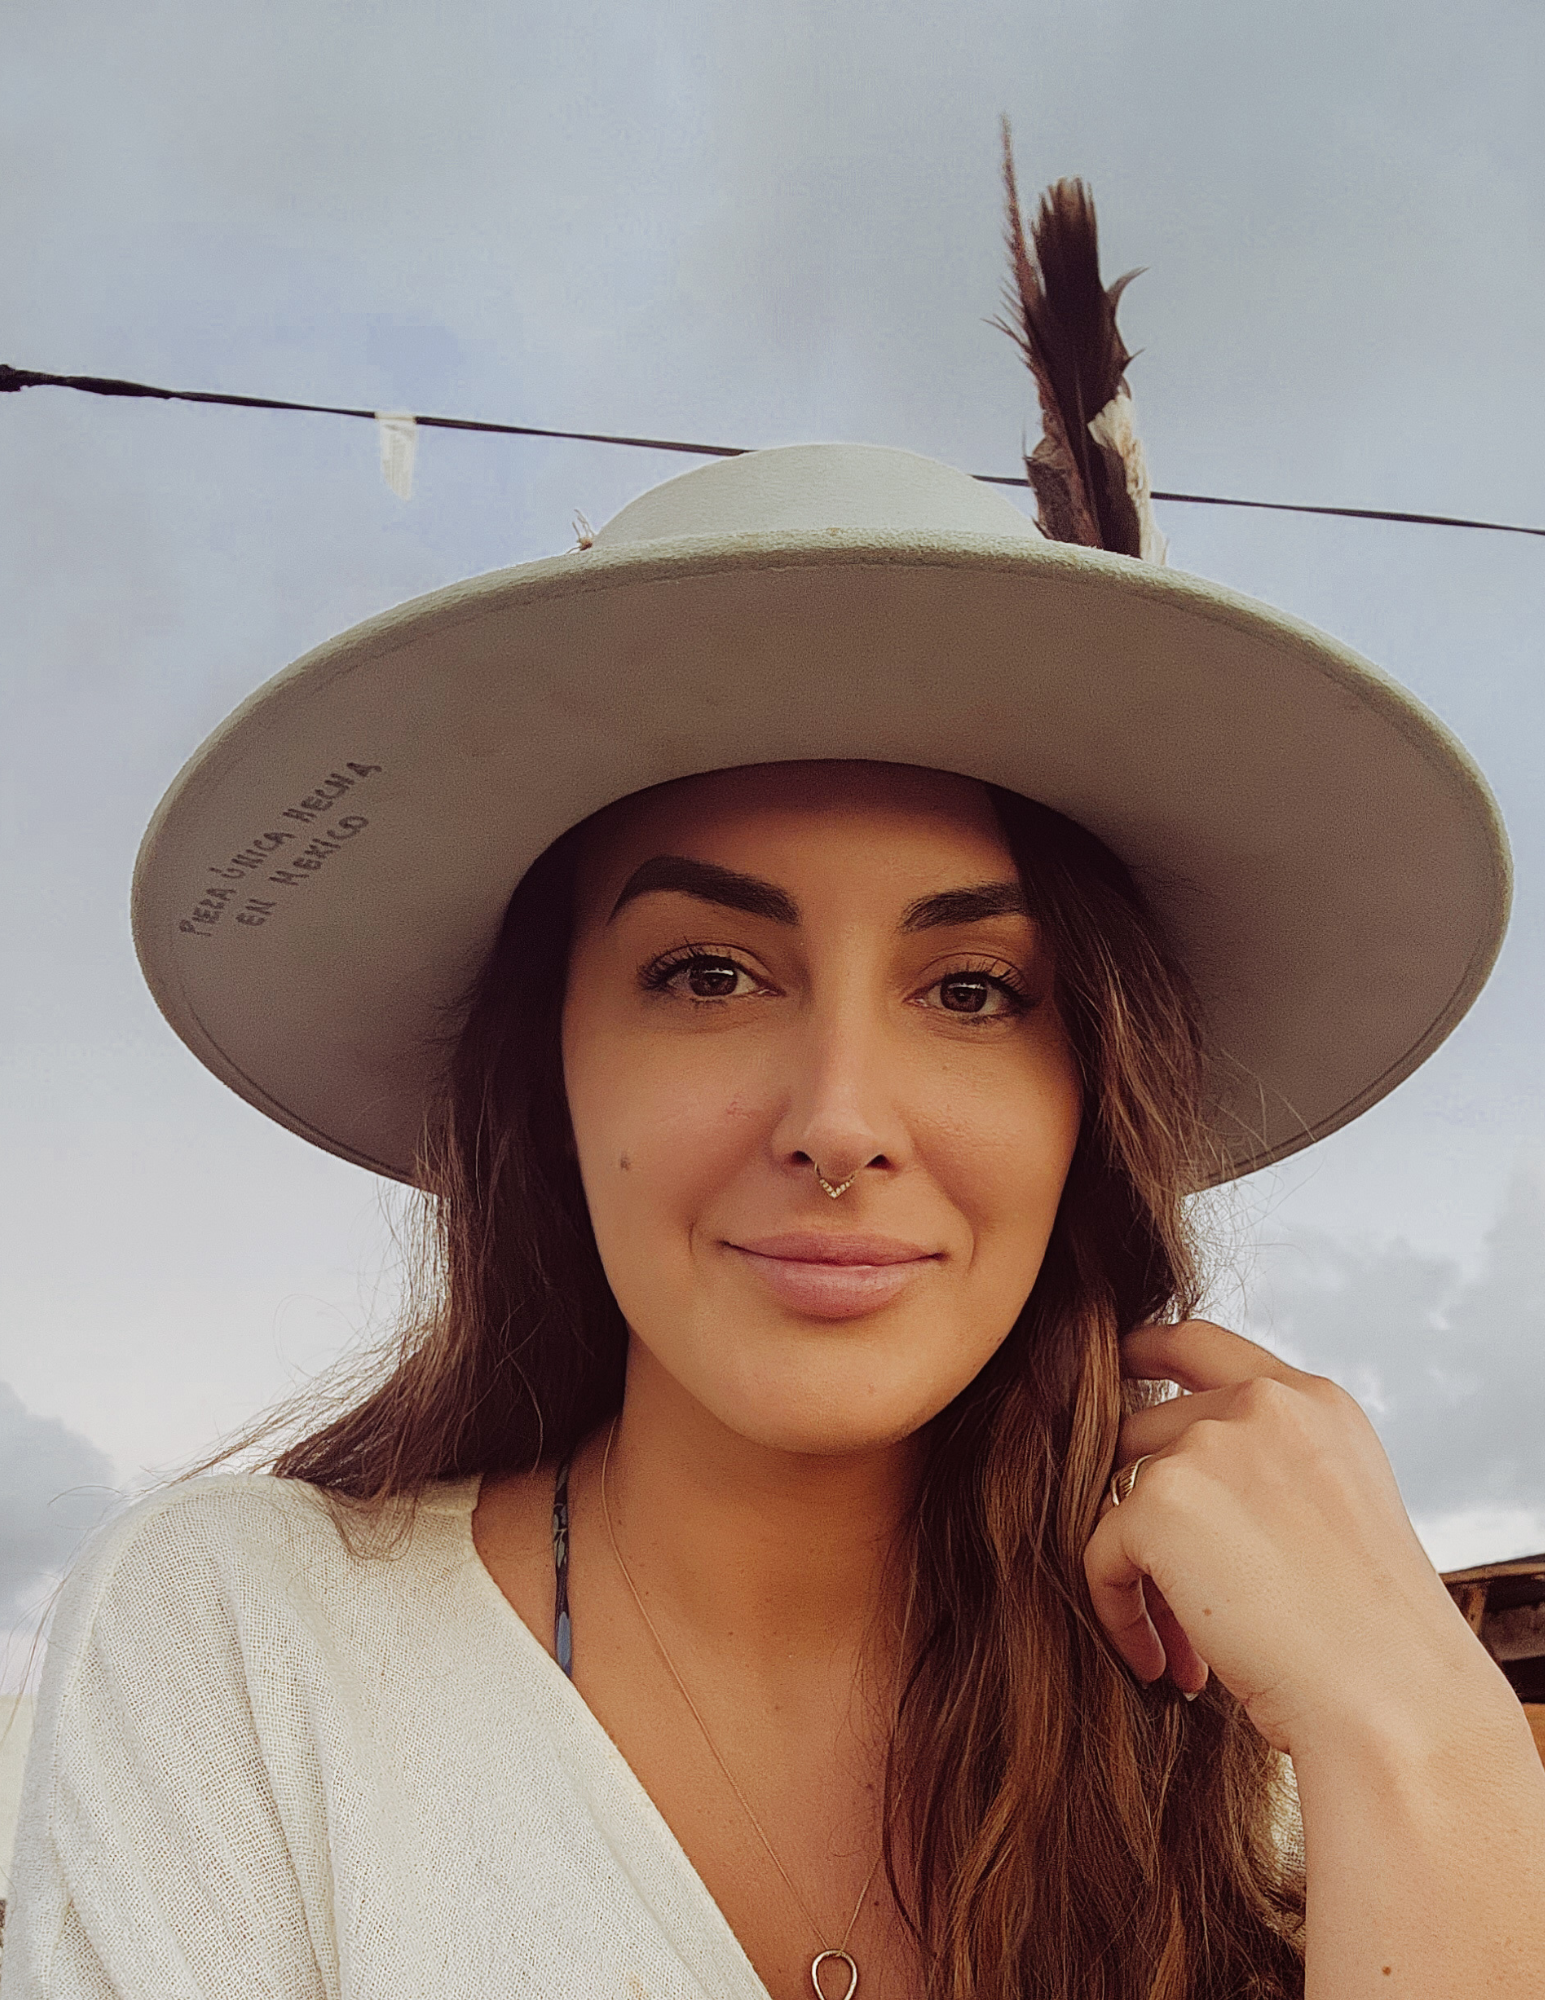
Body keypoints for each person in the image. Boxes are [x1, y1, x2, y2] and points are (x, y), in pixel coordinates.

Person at [5, 438, 1544, 2000]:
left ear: (1093, 1100)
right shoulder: (245, 1650)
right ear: (551, 1070)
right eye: (707, 974)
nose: (839, 1123)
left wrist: (1424, 1731)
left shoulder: (1273, 1736)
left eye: (971, 990)